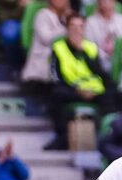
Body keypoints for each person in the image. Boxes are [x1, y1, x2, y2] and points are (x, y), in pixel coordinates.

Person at [47, 14, 115, 151]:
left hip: (94, 91)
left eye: (80, 27)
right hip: (71, 90)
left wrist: (83, 54)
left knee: (115, 95)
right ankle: (62, 138)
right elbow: (55, 77)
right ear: (67, 29)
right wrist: (76, 90)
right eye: (73, 26)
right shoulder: (58, 47)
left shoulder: (91, 48)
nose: (77, 30)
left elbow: (101, 73)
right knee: (56, 94)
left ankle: (105, 138)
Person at [21, 0, 70, 84]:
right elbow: (47, 38)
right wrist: (67, 31)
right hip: (41, 69)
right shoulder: (42, 15)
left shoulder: (67, 17)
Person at [85, 0, 122, 72]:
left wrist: (117, 49)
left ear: (114, 2)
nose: (106, 2)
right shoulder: (90, 22)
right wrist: (104, 52)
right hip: (100, 62)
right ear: (98, 3)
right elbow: (89, 46)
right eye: (103, 1)